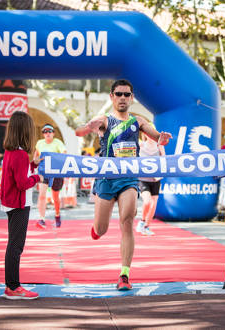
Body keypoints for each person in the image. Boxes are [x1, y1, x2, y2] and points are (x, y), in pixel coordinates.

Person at [75, 79, 172, 291]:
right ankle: (96, 229)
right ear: (111, 97)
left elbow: (156, 136)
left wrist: (161, 138)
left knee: (127, 220)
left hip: (128, 179)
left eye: (127, 95)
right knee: (101, 229)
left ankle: (124, 274)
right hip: (106, 180)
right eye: (118, 94)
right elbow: (80, 132)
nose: (122, 98)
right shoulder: (105, 120)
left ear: (132, 98)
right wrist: (87, 127)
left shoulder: (137, 121)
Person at [1, 111, 42, 300]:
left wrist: (32, 165)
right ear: (25, 131)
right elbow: (23, 183)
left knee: (14, 245)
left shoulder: (12, 152)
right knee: (16, 246)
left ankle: (12, 286)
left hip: (12, 203)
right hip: (19, 204)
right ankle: (13, 287)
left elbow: (18, 174)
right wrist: (37, 177)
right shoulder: (20, 154)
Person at [35, 124, 66, 229]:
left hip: (56, 173)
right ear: (43, 134)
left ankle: (57, 215)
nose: (47, 133)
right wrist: (37, 161)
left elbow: (64, 153)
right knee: (42, 195)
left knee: (55, 198)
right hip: (44, 172)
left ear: (53, 133)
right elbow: (36, 157)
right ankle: (42, 219)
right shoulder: (39, 143)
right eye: (45, 131)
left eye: (49, 131)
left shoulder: (58, 143)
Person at [136, 125, 165, 236]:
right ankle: (142, 221)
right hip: (143, 179)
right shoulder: (141, 145)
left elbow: (165, 160)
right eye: (148, 132)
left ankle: (147, 226)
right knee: (147, 201)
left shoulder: (159, 146)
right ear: (145, 134)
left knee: (153, 205)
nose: (150, 134)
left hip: (156, 179)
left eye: (152, 132)